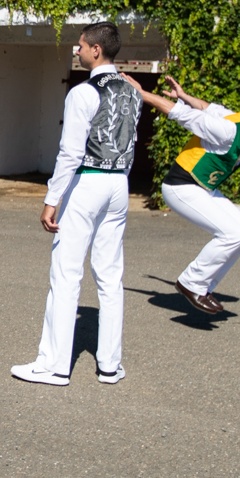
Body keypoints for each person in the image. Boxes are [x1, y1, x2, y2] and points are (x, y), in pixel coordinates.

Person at [12, 22, 142, 387]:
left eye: (81, 45)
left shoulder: (83, 93)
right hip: (120, 184)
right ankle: (109, 366)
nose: (77, 50)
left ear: (96, 50)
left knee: (66, 273)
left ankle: (53, 365)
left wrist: (52, 199)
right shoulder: (134, 92)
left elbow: (70, 151)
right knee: (110, 275)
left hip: (88, 182)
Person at [126, 76, 240, 313]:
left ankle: (203, 286)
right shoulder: (227, 130)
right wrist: (142, 93)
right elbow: (179, 114)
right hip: (181, 186)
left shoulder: (238, 122)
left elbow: (208, 108)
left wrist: (184, 95)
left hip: (203, 188)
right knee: (231, 235)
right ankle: (191, 283)